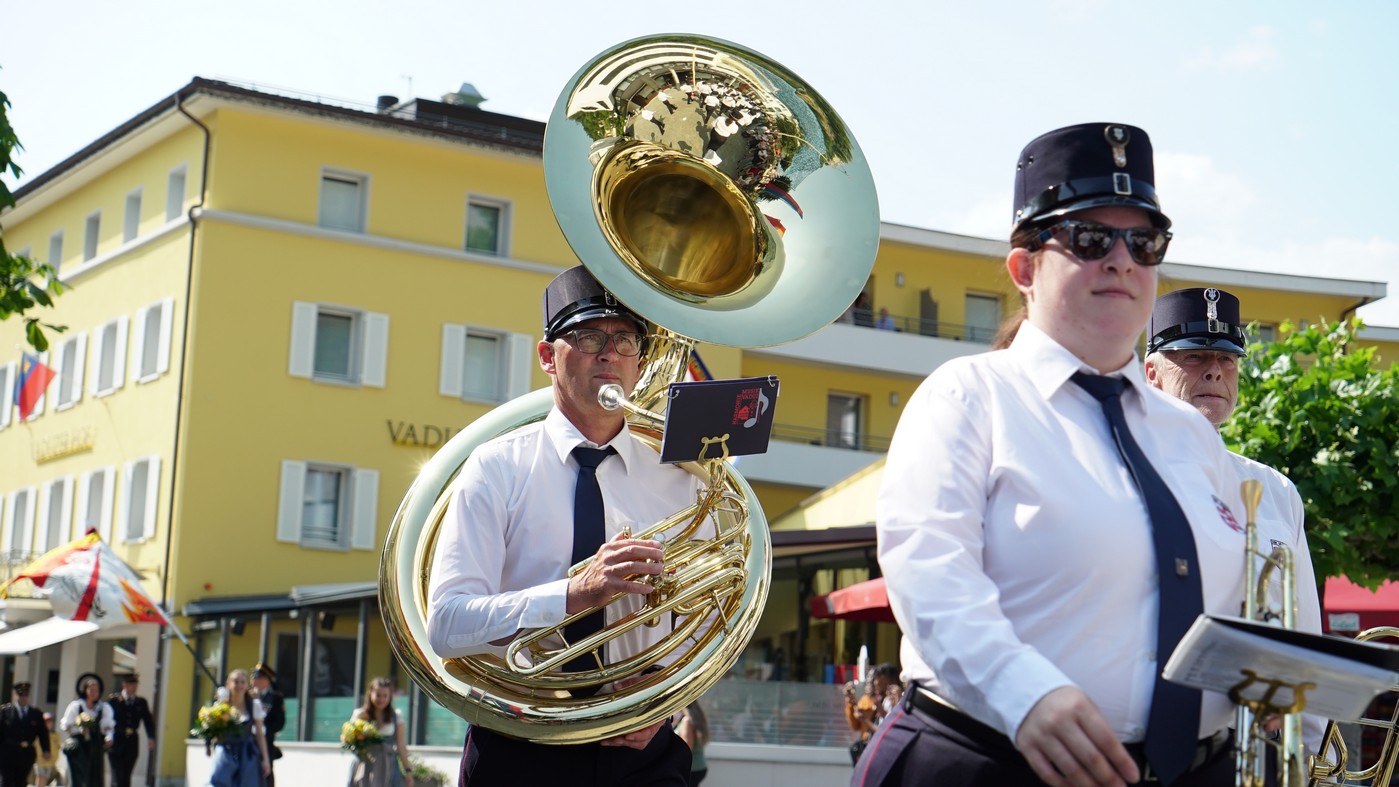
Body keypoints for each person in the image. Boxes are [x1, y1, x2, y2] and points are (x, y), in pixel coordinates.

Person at [865, 123, 1251, 787]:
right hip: (990, 762)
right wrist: (1024, 692)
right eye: (1089, 238)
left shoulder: (1191, 435)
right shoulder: (966, 395)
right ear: (1023, 267)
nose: (1121, 260)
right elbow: (927, 572)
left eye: (1144, 240)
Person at [427, 264, 704, 785]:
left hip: (642, 753)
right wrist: (574, 594)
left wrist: (665, 695)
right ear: (546, 357)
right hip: (522, 746)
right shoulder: (496, 467)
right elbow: (446, 624)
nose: (609, 353)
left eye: (625, 340)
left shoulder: (680, 481)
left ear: (640, 361)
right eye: (588, 336)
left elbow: (710, 621)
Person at [1143, 287, 1326, 753]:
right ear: (1151, 375)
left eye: (1227, 360)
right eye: (1193, 356)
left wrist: (1305, 756)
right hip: (1128, 740)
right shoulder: (1116, 473)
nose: (1213, 371)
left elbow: (1303, 632)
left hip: (1246, 749)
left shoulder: (1276, 491)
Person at [207, 669, 271, 787]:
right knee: (219, 783)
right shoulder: (221, 707)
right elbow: (214, 730)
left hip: (247, 752)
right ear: (229, 684)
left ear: (247, 685)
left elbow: (260, 735)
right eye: (236, 682)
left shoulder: (253, 706)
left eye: (243, 682)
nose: (239, 685)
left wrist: (265, 760)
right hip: (226, 751)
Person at [348, 677, 414, 787]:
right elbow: (350, 740)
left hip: (388, 765)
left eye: (385, 696)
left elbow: (401, 745)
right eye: (378, 695)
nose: (381, 699)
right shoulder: (359, 715)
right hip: (365, 764)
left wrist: (408, 771)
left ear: (390, 697)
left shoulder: (396, 716)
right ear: (370, 694)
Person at [60, 675, 115, 787]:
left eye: (96, 690)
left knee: (95, 776)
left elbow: (108, 727)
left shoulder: (103, 708)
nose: (94, 693)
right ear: (85, 691)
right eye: (91, 690)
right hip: (79, 747)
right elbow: (66, 726)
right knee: (79, 776)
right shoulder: (76, 706)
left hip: (95, 746)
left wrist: (109, 737)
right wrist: (78, 729)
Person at [107, 672, 156, 787]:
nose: (134, 687)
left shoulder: (141, 702)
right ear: (124, 685)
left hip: (132, 742)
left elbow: (148, 721)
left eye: (135, 684)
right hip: (117, 741)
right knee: (117, 776)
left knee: (126, 776)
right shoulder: (114, 701)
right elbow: (106, 720)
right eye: (131, 684)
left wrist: (151, 737)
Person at [1, 681, 52, 787]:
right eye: (21, 694)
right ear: (16, 695)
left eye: (26, 695)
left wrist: (46, 749)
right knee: (7, 781)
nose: (23, 697)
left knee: (21, 781)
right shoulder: (5, 711)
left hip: (26, 753)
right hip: (8, 751)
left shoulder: (36, 713)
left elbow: (43, 733)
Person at [251, 663, 286, 786]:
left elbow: (279, 723)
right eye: (253, 677)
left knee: (266, 776)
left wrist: (264, 730)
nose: (254, 680)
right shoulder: (248, 697)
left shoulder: (275, 698)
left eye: (257, 677)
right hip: (248, 742)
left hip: (266, 743)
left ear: (266, 680)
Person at [676, 702, 709, 786]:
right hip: (699, 766)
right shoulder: (698, 719)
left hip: (690, 769)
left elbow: (687, 747)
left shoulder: (687, 721)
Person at [33, 712, 61, 787]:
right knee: (41, 776)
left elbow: (58, 747)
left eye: (50, 721)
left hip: (51, 760)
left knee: (45, 778)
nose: (48, 723)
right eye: (46, 721)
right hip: (39, 759)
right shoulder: (37, 734)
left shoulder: (56, 735)